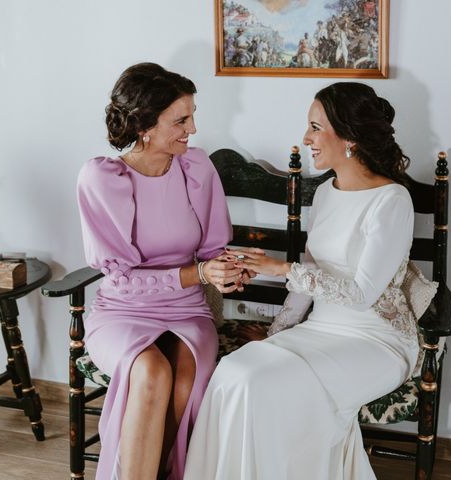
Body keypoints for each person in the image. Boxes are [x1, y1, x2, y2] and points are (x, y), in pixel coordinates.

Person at [184, 82, 422, 480]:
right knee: (233, 373)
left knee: (265, 386)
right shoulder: (327, 192)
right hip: (318, 331)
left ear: (349, 136)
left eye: (315, 127)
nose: (306, 138)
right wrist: (277, 332)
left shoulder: (392, 201)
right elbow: (310, 275)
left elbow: (362, 294)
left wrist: (279, 268)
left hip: (374, 340)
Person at [76, 62, 246, 480]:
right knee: (151, 372)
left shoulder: (197, 167)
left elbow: (212, 251)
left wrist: (230, 270)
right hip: (122, 311)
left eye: (191, 116)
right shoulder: (102, 178)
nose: (191, 129)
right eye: (181, 120)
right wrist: (200, 274)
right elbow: (121, 278)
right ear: (144, 125)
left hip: (188, 311)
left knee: (184, 386)